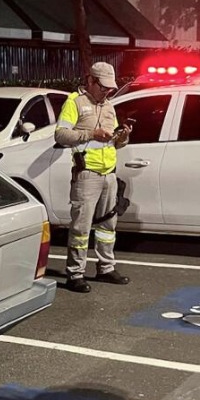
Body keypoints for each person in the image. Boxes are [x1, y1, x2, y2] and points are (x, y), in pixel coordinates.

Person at [54, 62, 132, 293]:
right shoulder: (74, 102)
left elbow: (114, 142)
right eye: (103, 86)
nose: (107, 91)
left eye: (110, 87)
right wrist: (91, 133)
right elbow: (61, 134)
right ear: (90, 80)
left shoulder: (109, 105)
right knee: (81, 226)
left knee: (108, 226)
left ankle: (106, 268)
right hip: (86, 173)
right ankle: (75, 274)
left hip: (109, 173)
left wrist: (123, 137)